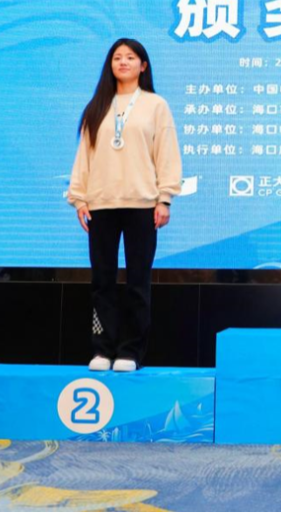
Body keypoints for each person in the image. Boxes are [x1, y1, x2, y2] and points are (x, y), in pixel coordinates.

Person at [67, 39, 181, 372]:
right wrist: (79, 197)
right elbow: (84, 156)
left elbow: (166, 154)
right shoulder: (97, 106)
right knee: (102, 281)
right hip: (101, 204)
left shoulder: (156, 105)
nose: (123, 62)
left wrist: (165, 197)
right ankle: (102, 349)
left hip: (142, 204)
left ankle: (131, 350)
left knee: (137, 282)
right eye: (117, 57)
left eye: (131, 57)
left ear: (143, 66)